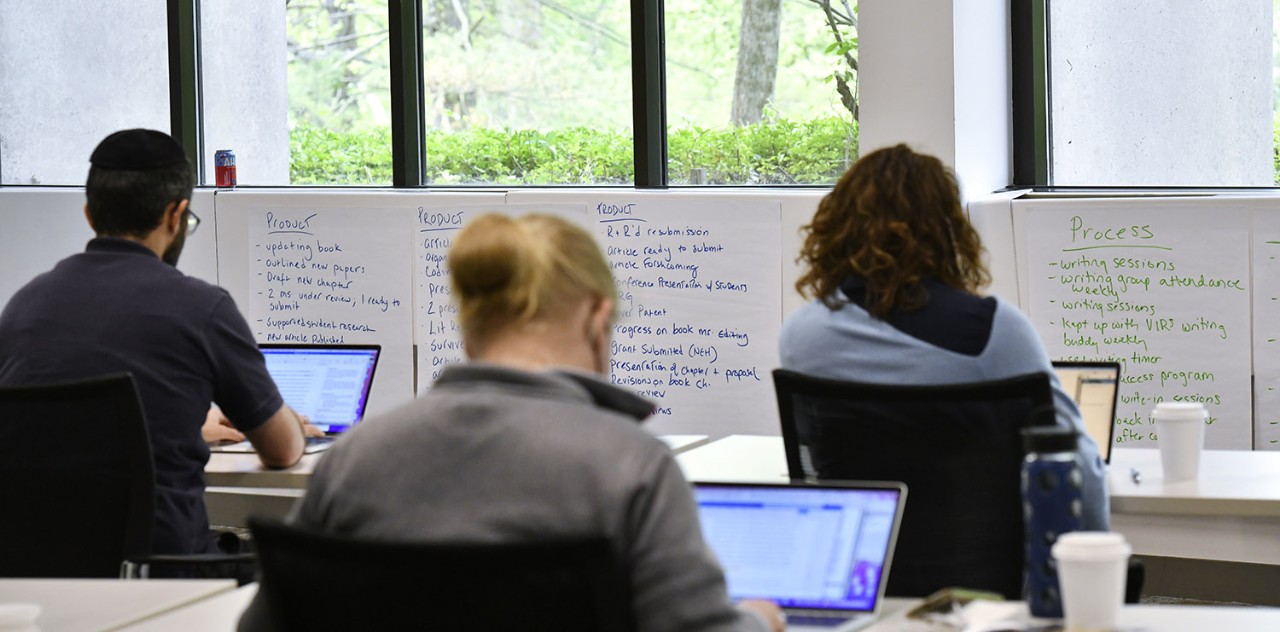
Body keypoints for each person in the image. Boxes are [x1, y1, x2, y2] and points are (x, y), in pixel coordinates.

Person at [239, 213, 784, 632]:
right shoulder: (631, 466)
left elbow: (262, 625)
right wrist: (760, 618)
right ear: (597, 317)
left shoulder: (358, 457)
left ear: (469, 321)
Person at [0, 128, 316, 557]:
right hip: (164, 574)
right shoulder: (201, 308)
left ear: (90, 214)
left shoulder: (24, 305)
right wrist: (293, 427)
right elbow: (280, 452)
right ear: (176, 215)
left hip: (34, 573)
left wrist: (181, 426)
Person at [778, 144, 1109, 530]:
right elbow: (1074, 465)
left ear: (837, 229)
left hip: (858, 567)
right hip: (984, 575)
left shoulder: (802, 337)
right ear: (949, 233)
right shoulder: (995, 332)